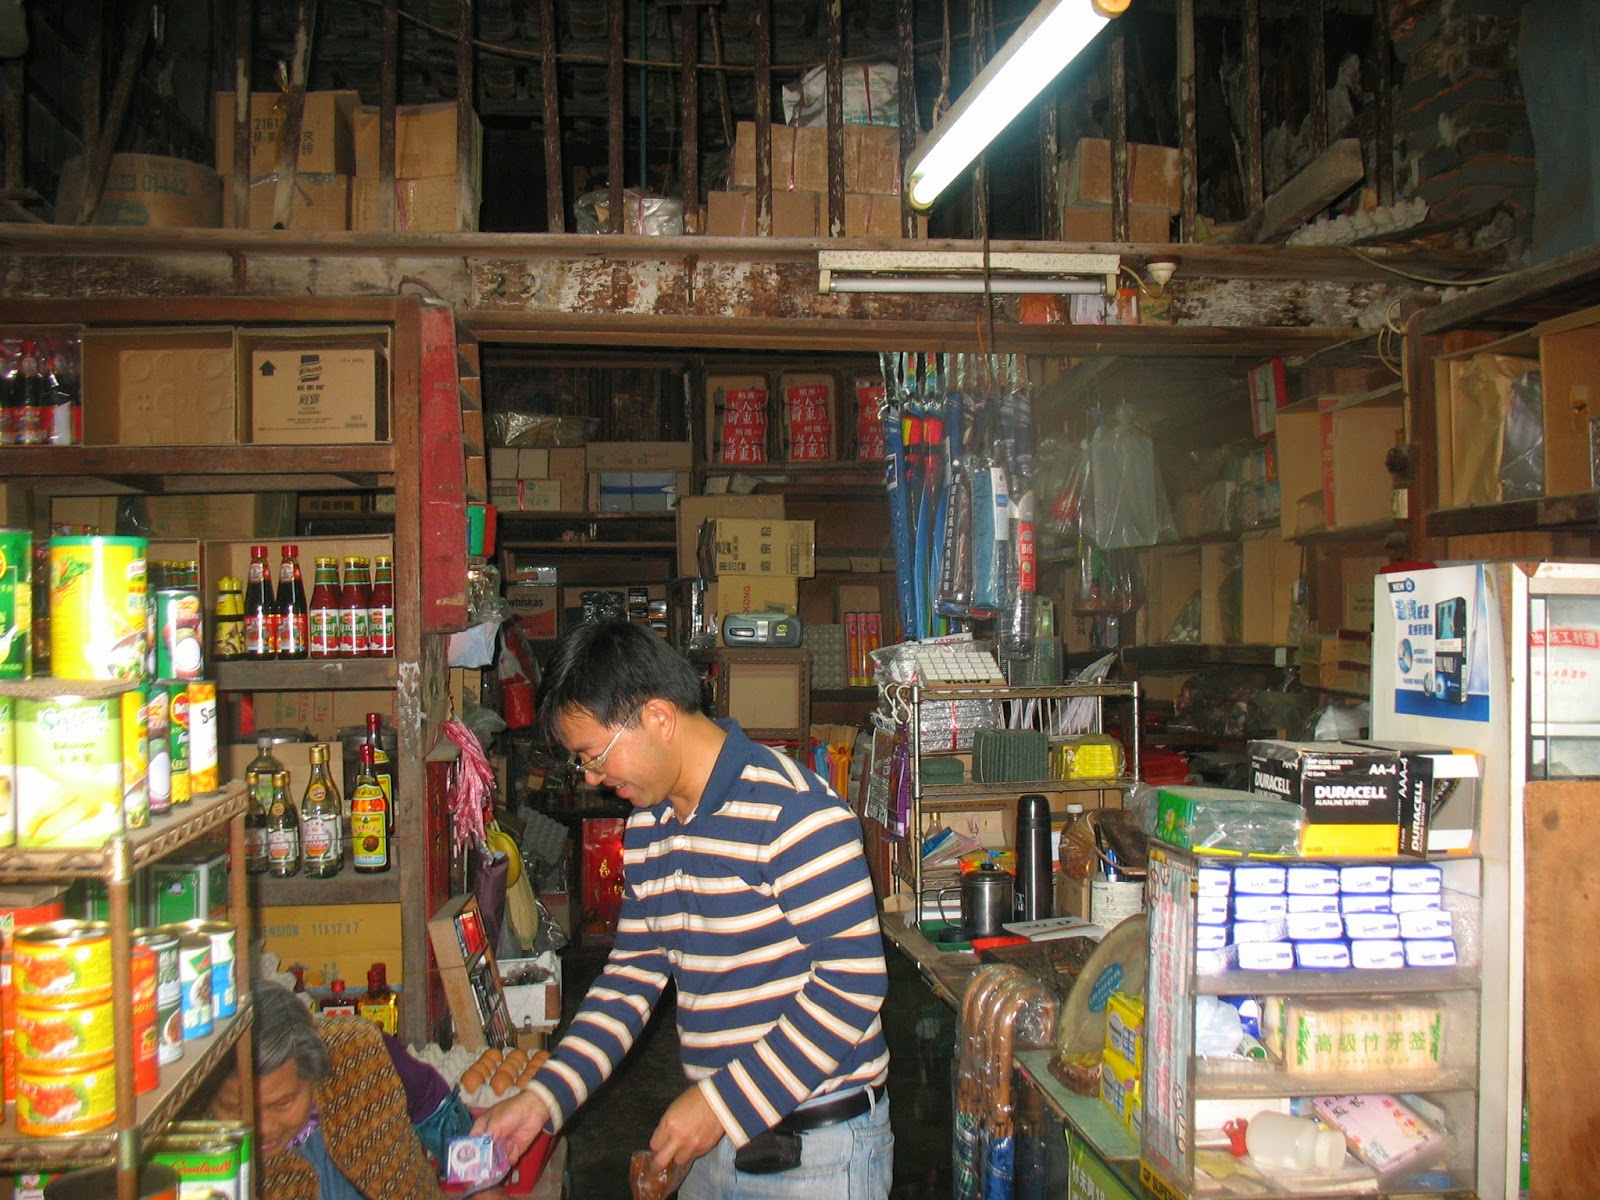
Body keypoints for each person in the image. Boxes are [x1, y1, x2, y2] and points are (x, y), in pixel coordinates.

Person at [475, 619, 893, 1197]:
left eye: (595, 756)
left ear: (659, 717)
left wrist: (721, 1104)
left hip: (816, 1151)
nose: (593, 779)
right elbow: (632, 975)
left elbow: (854, 982)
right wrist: (547, 1096)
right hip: (715, 1136)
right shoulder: (650, 825)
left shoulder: (794, 813)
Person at [209, 979, 474, 1199]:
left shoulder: (357, 1054)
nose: (264, 1128)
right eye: (235, 1108)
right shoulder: (206, 1158)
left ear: (313, 1072)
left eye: (283, 1103)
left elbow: (431, 1102)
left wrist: (476, 1176)